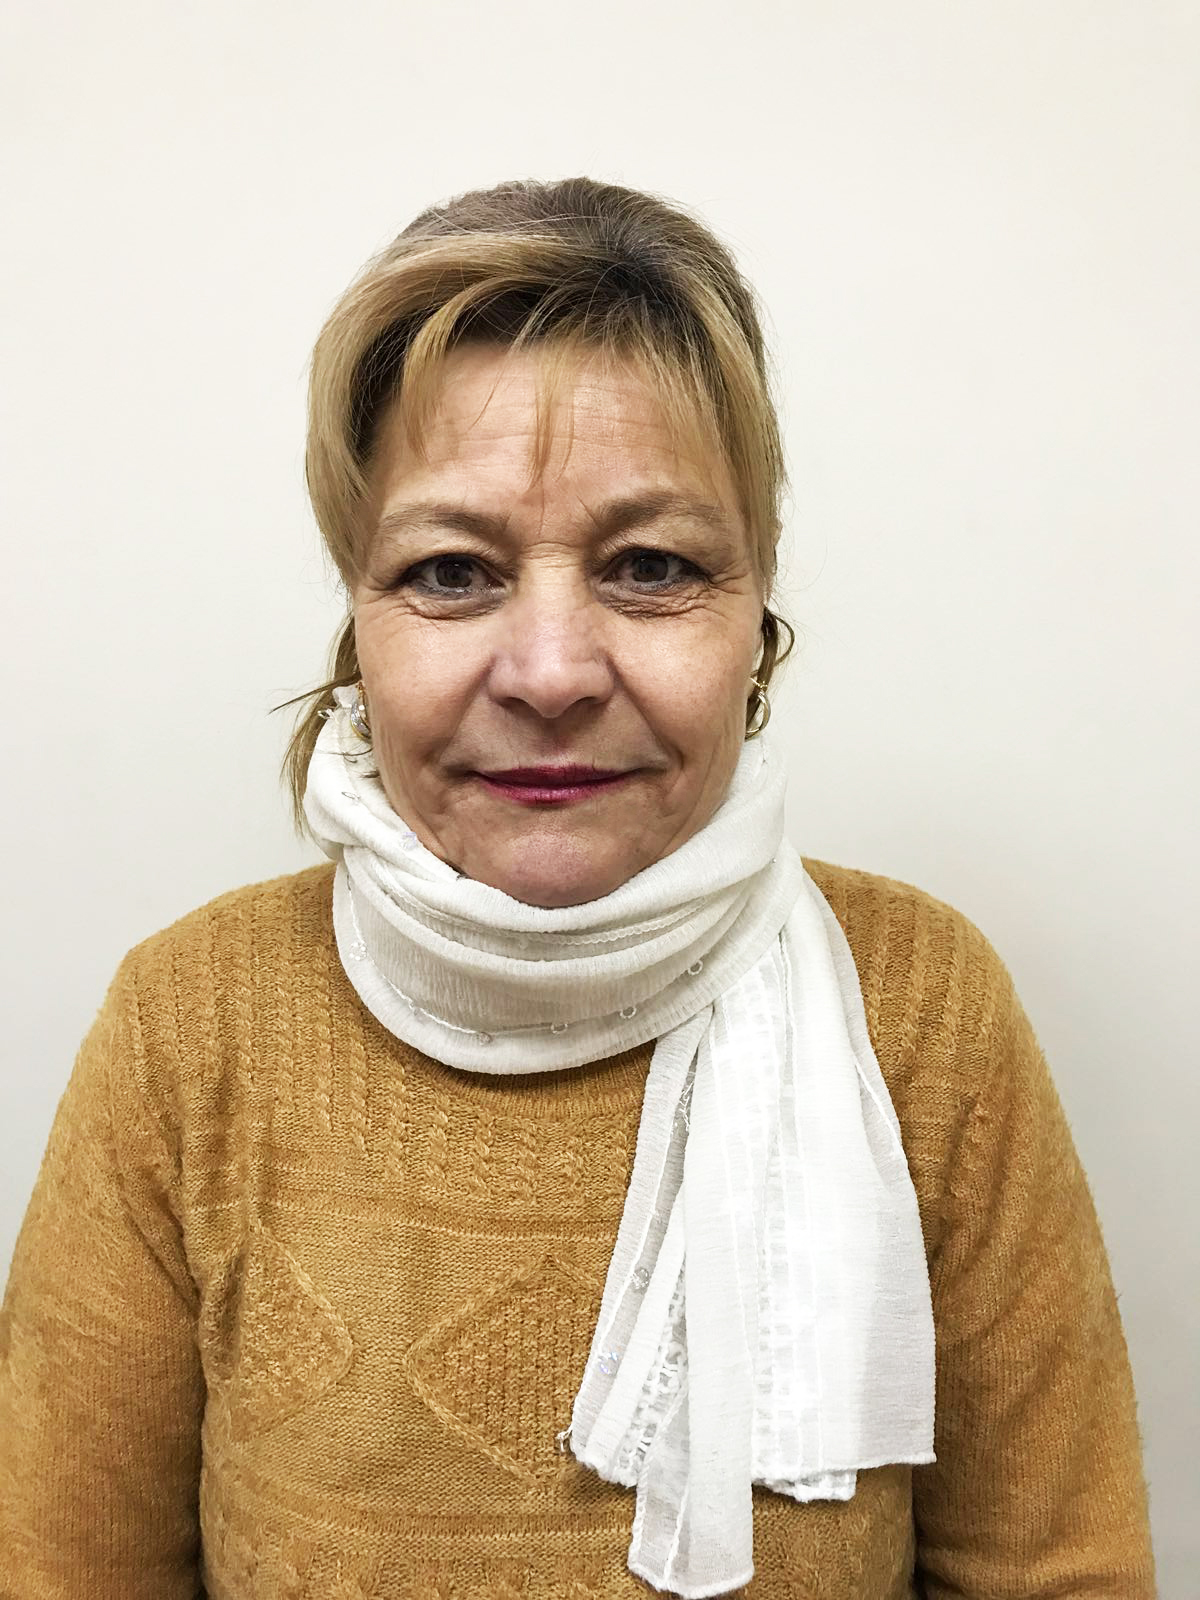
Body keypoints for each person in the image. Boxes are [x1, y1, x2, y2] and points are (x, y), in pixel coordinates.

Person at [0, 177, 1155, 1599]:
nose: (551, 674)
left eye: (651, 566)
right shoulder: (186, 1024)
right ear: (359, 621)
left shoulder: (923, 1011)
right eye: (451, 572)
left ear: (757, 616)